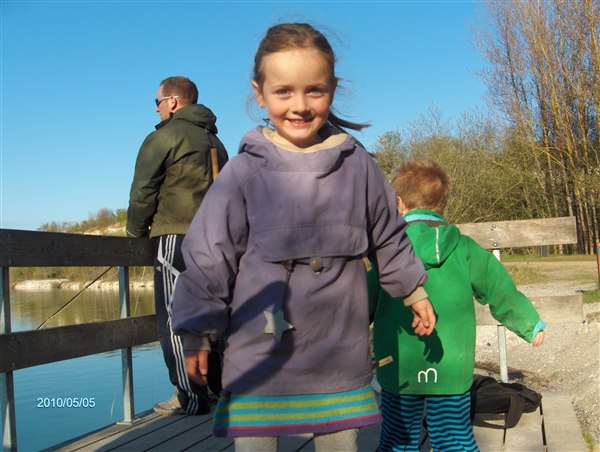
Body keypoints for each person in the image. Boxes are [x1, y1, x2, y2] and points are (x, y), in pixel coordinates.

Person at [171, 23, 436, 452]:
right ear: (259, 94)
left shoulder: (358, 167)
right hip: (259, 361)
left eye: (314, 90)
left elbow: (388, 234)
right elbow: (208, 256)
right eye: (283, 92)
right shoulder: (244, 172)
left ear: (333, 88)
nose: (299, 106)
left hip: (338, 356)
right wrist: (196, 332)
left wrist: (414, 291)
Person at [369, 158, 546, 451]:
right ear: (442, 205)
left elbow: (361, 299)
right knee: (452, 435)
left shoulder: (387, 253)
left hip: (398, 362)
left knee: (398, 437)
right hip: (451, 363)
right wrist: (530, 324)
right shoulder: (464, 248)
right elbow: (499, 287)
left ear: (398, 204)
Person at [126, 76, 228, 416]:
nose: (155, 109)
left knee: (175, 318)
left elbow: (143, 189)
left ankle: (191, 396)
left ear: (172, 102)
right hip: (217, 241)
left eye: (156, 102)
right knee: (212, 313)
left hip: (178, 237)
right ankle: (217, 389)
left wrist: (135, 233)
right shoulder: (216, 142)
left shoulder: (165, 136)